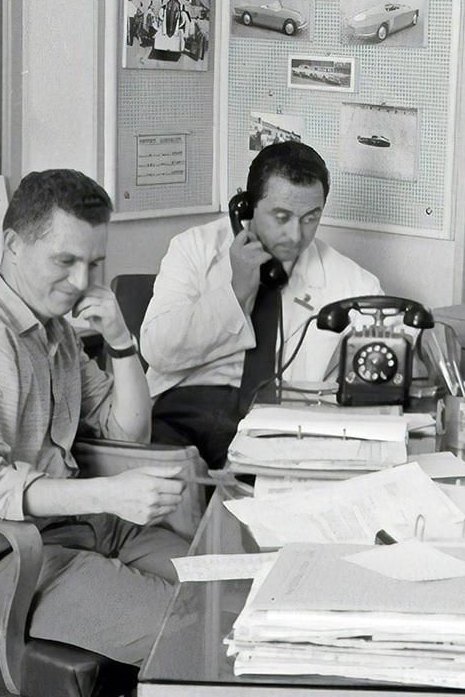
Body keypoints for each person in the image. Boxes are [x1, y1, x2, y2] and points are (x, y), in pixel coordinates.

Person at [0, 169, 189, 666]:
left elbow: (129, 432)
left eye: (93, 263)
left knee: (231, 592)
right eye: (65, 261)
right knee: (185, 629)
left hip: (76, 526)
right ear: (12, 245)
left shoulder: (55, 330)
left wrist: (120, 339)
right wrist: (107, 494)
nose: (81, 282)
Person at [141, 141, 383, 467]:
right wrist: (236, 292)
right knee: (168, 479)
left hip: (278, 423)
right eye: (281, 217)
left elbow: (387, 363)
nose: (295, 235)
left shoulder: (353, 283)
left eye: (310, 218)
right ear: (248, 207)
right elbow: (157, 349)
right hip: (182, 412)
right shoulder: (194, 249)